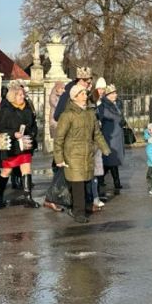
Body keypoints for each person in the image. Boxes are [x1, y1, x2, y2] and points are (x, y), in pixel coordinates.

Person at [52, 84, 110, 222]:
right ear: (75, 97)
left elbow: (96, 133)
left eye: (85, 93)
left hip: (87, 153)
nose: (85, 96)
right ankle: (79, 212)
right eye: (82, 93)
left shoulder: (90, 113)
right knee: (77, 183)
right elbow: (59, 138)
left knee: (84, 182)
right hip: (72, 154)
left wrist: (105, 148)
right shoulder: (67, 115)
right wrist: (59, 158)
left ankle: (77, 206)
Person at [0, 81, 40, 207]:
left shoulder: (27, 108)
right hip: (11, 146)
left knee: (26, 168)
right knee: (7, 170)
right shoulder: (6, 110)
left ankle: (28, 197)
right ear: (13, 96)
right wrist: (13, 134)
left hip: (25, 144)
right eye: (20, 95)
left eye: (23, 94)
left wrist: (32, 134)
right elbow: (2, 128)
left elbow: (33, 125)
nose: (23, 97)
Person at [96, 83, 128, 196]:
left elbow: (121, 116)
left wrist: (122, 120)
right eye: (113, 93)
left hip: (118, 135)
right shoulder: (103, 106)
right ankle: (100, 179)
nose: (116, 95)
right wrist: (119, 118)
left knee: (114, 160)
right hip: (109, 135)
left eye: (116, 93)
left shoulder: (118, 104)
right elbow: (103, 117)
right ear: (108, 95)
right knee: (110, 160)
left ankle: (116, 182)